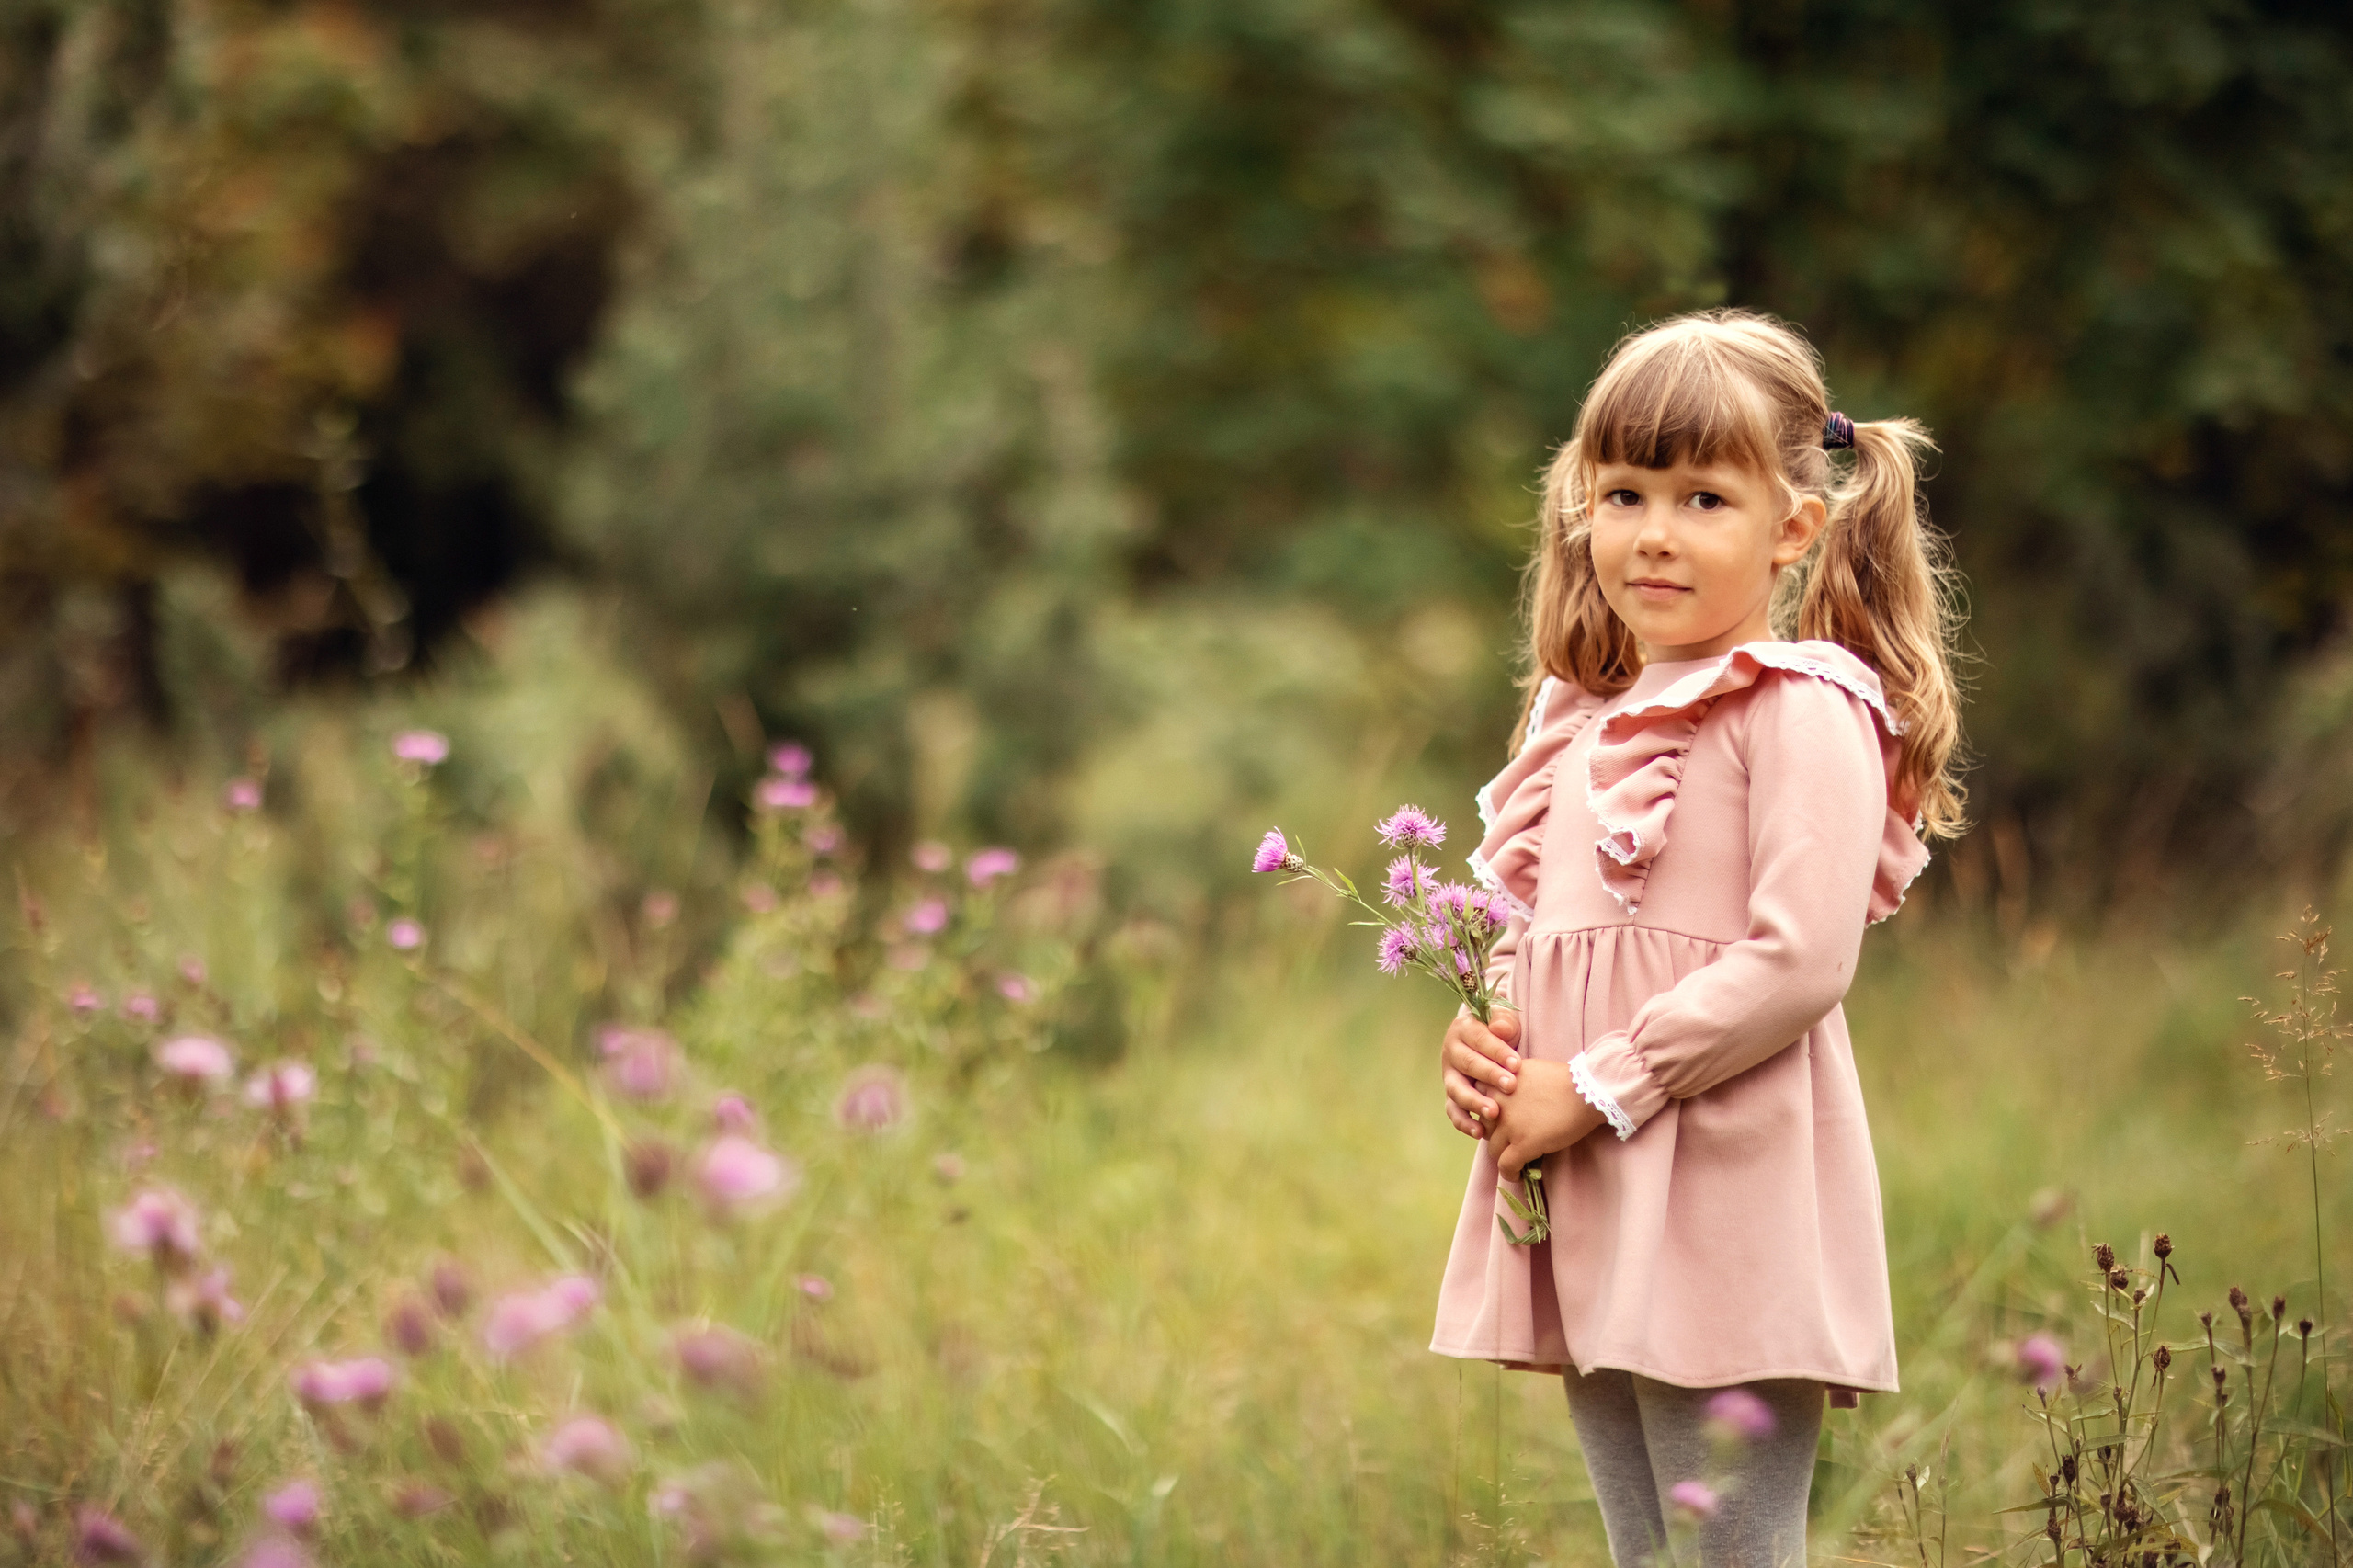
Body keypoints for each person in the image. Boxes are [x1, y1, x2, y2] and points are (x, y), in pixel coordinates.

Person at [1432, 309, 1965, 1568]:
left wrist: (1594, 1085)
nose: (1655, 533)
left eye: (1703, 499)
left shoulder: (1804, 710)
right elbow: (1534, 932)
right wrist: (1489, 1040)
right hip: (1593, 1189)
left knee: (1733, 1554)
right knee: (1648, 1553)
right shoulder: (1576, 717)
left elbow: (1799, 961)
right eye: (1625, 492)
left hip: (1727, 1190)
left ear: (1793, 527)